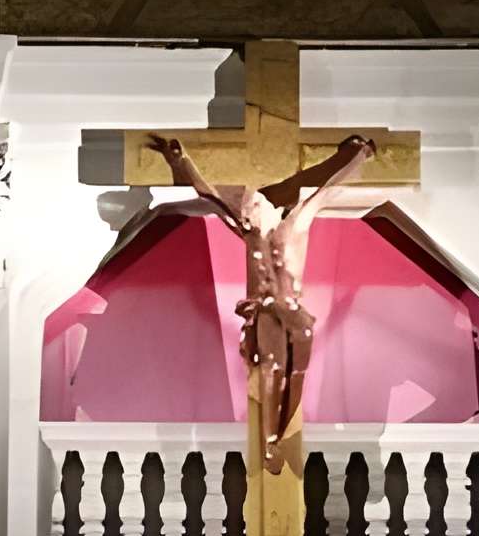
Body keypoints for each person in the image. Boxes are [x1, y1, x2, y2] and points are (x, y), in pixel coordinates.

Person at [146, 128, 377, 467]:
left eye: (253, 205)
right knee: (271, 368)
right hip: (266, 312)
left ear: (268, 207)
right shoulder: (250, 234)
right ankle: (271, 439)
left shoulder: (294, 225)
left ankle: (277, 435)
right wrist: (181, 163)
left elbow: (325, 193)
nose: (249, 211)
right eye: (249, 208)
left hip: (291, 312)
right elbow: (211, 198)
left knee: (292, 372)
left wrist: (358, 157)